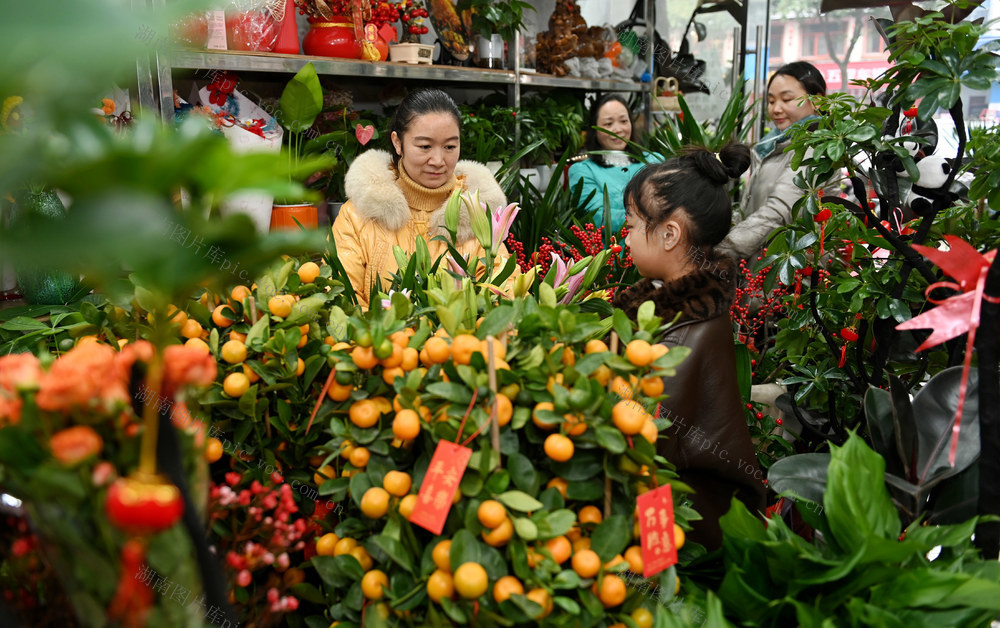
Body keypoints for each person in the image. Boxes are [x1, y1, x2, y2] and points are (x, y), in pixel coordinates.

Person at [613, 144, 767, 550]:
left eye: (630, 225)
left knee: (655, 596)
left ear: (669, 233)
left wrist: (652, 567)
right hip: (683, 499)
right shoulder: (676, 305)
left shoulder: (683, 332)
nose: (624, 236)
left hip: (693, 523)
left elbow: (648, 448)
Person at [331, 88, 507, 307]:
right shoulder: (357, 216)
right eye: (425, 146)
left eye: (450, 146)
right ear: (398, 143)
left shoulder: (477, 213)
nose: (438, 160)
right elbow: (341, 299)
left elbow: (504, 294)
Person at [717, 61, 826, 259]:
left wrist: (719, 251)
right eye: (771, 100)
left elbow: (778, 213)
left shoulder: (813, 149)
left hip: (791, 274)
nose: (776, 109)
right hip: (761, 268)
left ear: (817, 101)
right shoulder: (774, 146)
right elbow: (750, 211)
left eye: (787, 99)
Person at [568, 94, 661, 234]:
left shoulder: (654, 160)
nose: (618, 129)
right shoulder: (582, 171)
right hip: (614, 253)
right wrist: (652, 218)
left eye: (623, 121)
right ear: (594, 129)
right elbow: (599, 217)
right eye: (608, 124)